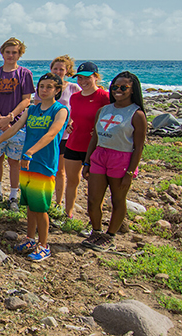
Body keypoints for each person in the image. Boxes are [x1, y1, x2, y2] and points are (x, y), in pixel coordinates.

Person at [0, 73, 69, 262]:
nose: (44, 90)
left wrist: (30, 152)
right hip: (27, 163)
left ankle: (44, 245)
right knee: (30, 205)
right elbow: (14, 128)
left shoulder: (60, 110)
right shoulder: (32, 110)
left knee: (40, 207)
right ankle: (30, 239)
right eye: (41, 86)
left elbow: (52, 133)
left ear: (57, 90)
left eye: (49, 87)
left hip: (43, 164)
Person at [82, 71, 147, 251]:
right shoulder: (104, 110)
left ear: (132, 90)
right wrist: (87, 162)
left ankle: (110, 236)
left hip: (122, 158)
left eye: (124, 87)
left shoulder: (137, 114)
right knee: (93, 200)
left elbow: (139, 147)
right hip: (100, 156)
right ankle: (96, 231)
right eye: (115, 87)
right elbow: (95, 137)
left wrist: (129, 173)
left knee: (118, 200)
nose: (119, 90)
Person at [0, 37, 35, 211]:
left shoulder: (25, 74)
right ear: (2, 53)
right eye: (8, 52)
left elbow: (27, 99)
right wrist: (1, 120)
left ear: (19, 54)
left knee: (14, 162)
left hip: (18, 125)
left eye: (14, 52)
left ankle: (13, 195)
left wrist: (11, 117)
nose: (11, 55)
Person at [34, 55, 82, 209]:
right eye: (55, 68)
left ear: (67, 71)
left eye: (62, 69)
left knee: (60, 171)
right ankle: (43, 199)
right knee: (45, 167)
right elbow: (37, 109)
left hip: (64, 136)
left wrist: (72, 121)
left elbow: (80, 108)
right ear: (51, 69)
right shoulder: (44, 87)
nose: (58, 71)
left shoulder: (73, 88)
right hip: (45, 135)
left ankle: (59, 203)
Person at [64, 62, 108, 219]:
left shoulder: (105, 97)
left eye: (87, 78)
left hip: (94, 147)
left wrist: (100, 130)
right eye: (80, 78)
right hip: (74, 143)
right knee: (72, 181)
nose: (83, 82)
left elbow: (113, 119)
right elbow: (75, 117)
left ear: (95, 77)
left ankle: (94, 220)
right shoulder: (75, 97)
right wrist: (69, 125)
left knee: (94, 186)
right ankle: (67, 215)